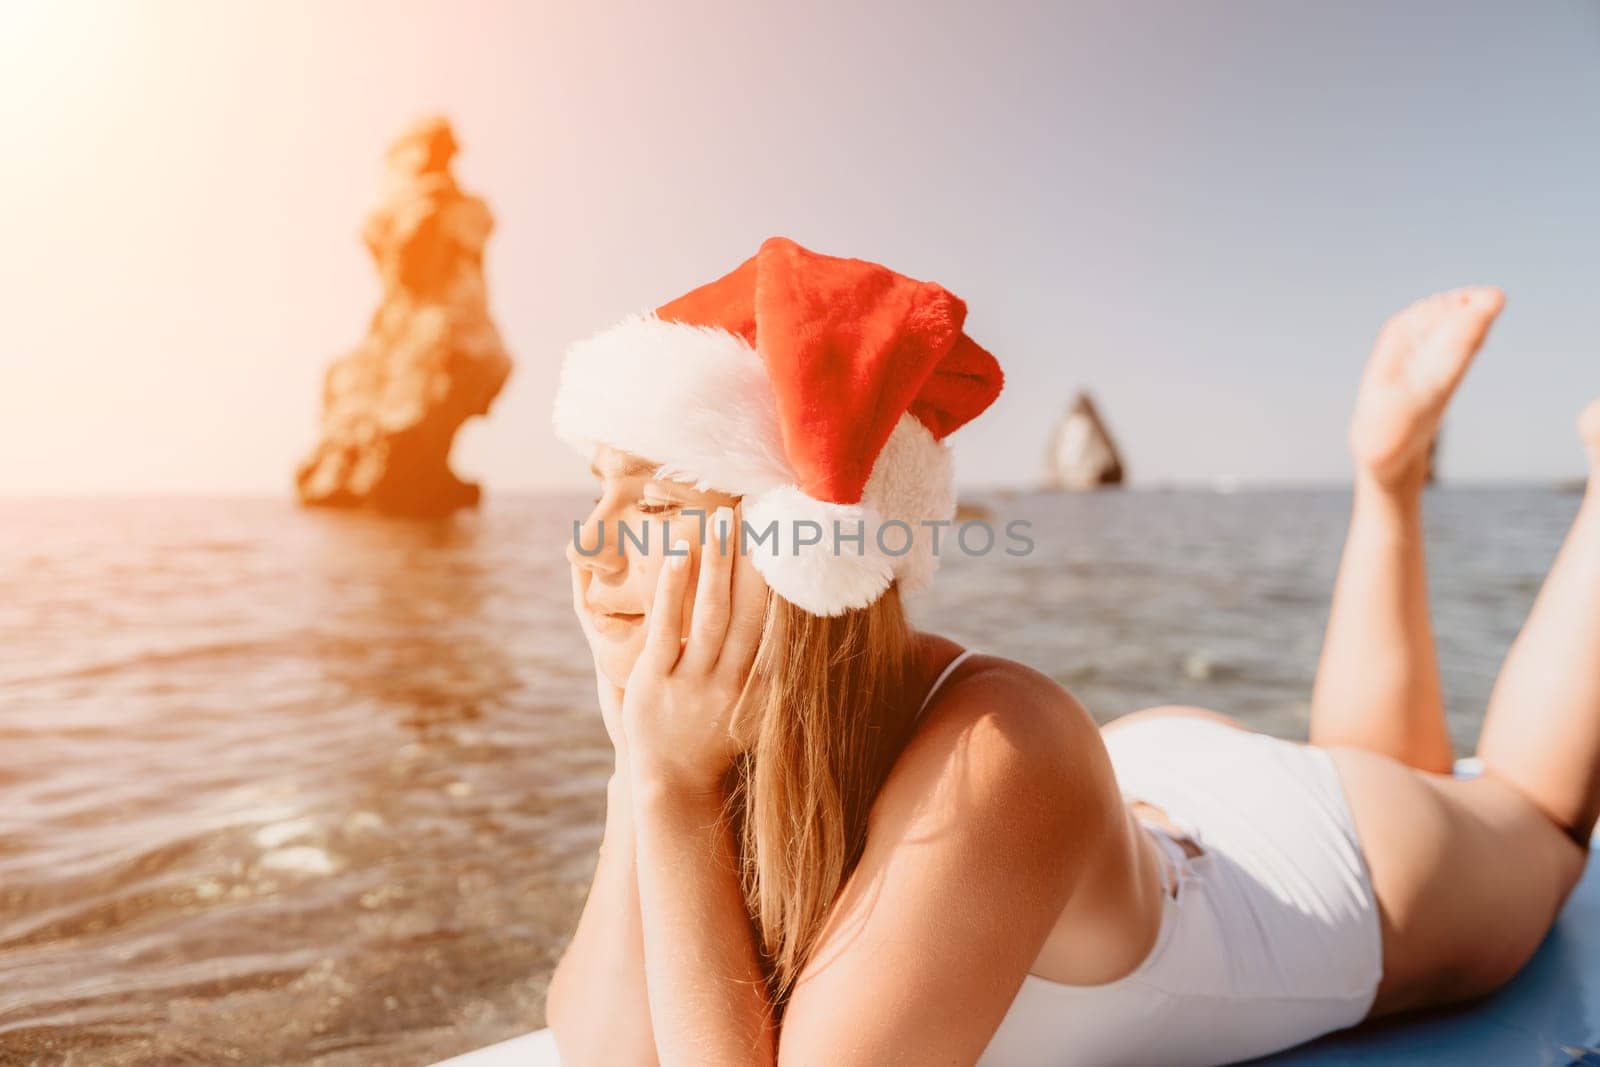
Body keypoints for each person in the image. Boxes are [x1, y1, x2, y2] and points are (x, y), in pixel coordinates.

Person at [541, 236, 1598, 1066]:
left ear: (802, 547)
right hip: (1139, 802)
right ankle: (1388, 476)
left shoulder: (1002, 748)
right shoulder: (732, 728)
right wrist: (644, 759)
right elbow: (606, 1049)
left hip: (1322, 860)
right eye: (599, 487)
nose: (594, 543)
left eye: (661, 500)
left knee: (1536, 816)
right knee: (1394, 763)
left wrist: (672, 789)